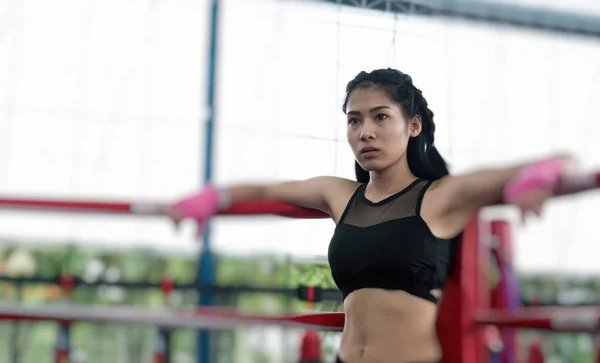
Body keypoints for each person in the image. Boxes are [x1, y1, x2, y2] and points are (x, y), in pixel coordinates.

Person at [169, 68, 573, 363]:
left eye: (381, 117)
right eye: (354, 120)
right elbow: (264, 190)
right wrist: (213, 197)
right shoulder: (339, 195)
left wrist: (537, 177)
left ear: (413, 126)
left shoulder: (440, 196)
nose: (365, 132)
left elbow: (560, 160)